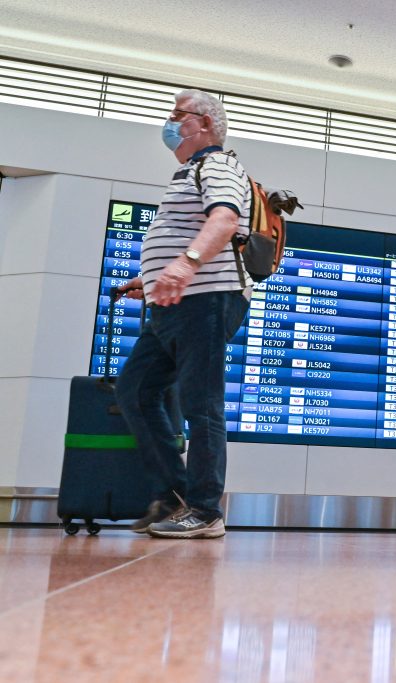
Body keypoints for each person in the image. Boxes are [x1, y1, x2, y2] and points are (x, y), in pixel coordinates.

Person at [114, 89, 252, 539]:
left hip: (206, 300)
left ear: (205, 124)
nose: (170, 124)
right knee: (135, 389)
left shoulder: (219, 166)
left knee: (201, 404)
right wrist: (152, 277)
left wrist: (184, 263)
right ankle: (174, 497)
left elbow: (225, 220)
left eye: (178, 116)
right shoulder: (188, 172)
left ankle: (206, 510)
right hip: (172, 303)